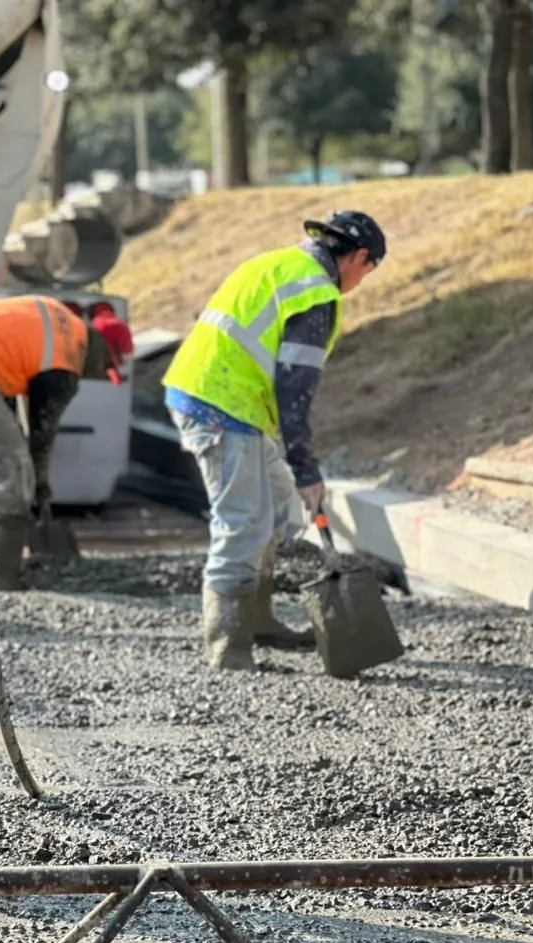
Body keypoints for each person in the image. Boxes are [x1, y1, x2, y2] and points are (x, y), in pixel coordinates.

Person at [162, 211, 385, 671]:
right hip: (220, 404)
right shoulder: (316, 293)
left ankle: (258, 619)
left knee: (280, 509)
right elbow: (294, 390)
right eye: (370, 269)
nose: (363, 280)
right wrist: (306, 468)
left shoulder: (278, 265)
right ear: (360, 257)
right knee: (241, 521)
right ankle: (228, 645)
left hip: (227, 396)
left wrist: (297, 473)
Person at [0, 295, 134, 588]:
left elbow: (24, 402)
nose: (98, 375)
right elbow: (43, 433)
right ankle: (1, 579)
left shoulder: (60, 323)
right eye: (105, 367)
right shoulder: (67, 358)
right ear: (101, 350)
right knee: (10, 474)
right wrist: (39, 483)